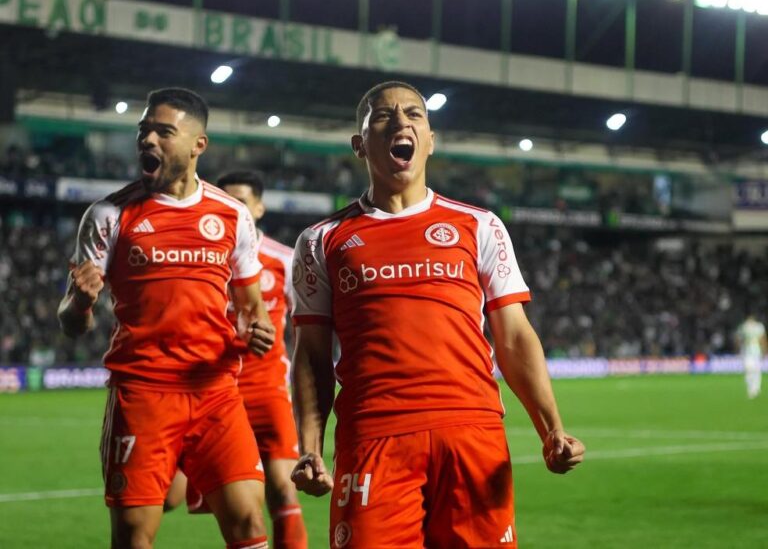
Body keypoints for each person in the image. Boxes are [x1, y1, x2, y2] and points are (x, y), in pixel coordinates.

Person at [289, 80, 585, 549]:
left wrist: (552, 429)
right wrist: (308, 446)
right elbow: (310, 356)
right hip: (374, 436)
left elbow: (513, 337)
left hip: (472, 431)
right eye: (383, 116)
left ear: (430, 139)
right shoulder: (321, 240)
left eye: (414, 114)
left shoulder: (480, 225)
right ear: (359, 144)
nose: (401, 122)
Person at [58, 87, 276, 549]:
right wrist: (78, 302)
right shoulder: (108, 215)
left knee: (250, 523)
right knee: (135, 535)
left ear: (199, 144)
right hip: (144, 393)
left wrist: (259, 329)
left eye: (163, 132)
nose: (148, 141)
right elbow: (70, 322)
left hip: (215, 392)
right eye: (144, 131)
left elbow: (253, 309)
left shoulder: (232, 216)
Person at [165, 171, 308, 549]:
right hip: (208, 391)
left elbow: (308, 327)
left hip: (267, 392)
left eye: (241, 200)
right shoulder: (202, 258)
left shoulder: (284, 260)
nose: (232, 207)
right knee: (168, 498)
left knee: (282, 489)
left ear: (258, 208)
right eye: (224, 199)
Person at [735, 313, 767, 399]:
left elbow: (763, 338)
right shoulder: (743, 327)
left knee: (756, 370)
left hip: (757, 351)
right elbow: (738, 337)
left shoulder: (759, 327)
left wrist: (764, 350)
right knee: (748, 369)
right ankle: (751, 388)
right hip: (746, 351)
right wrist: (738, 348)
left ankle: (756, 388)